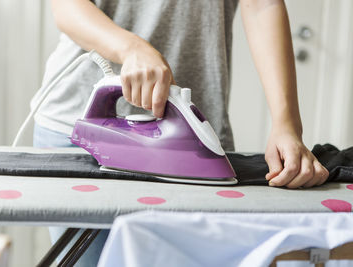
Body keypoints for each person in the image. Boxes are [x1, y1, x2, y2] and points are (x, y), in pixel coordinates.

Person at [32, 0, 330, 265]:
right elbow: (67, 6)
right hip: (76, 127)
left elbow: (263, 5)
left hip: (191, 140)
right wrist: (132, 49)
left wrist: (286, 124)